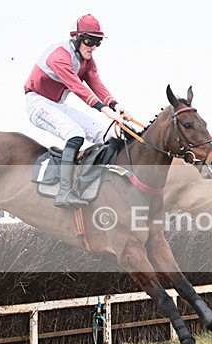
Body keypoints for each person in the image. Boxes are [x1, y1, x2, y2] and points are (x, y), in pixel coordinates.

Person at [24, 14, 132, 207]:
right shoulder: (58, 57)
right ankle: (65, 192)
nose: (93, 47)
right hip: (38, 103)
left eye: (98, 42)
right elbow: (77, 87)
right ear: (76, 38)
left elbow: (96, 84)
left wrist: (116, 106)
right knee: (75, 134)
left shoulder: (87, 59)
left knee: (106, 134)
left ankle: (105, 187)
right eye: (90, 41)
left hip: (57, 104)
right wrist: (103, 109)